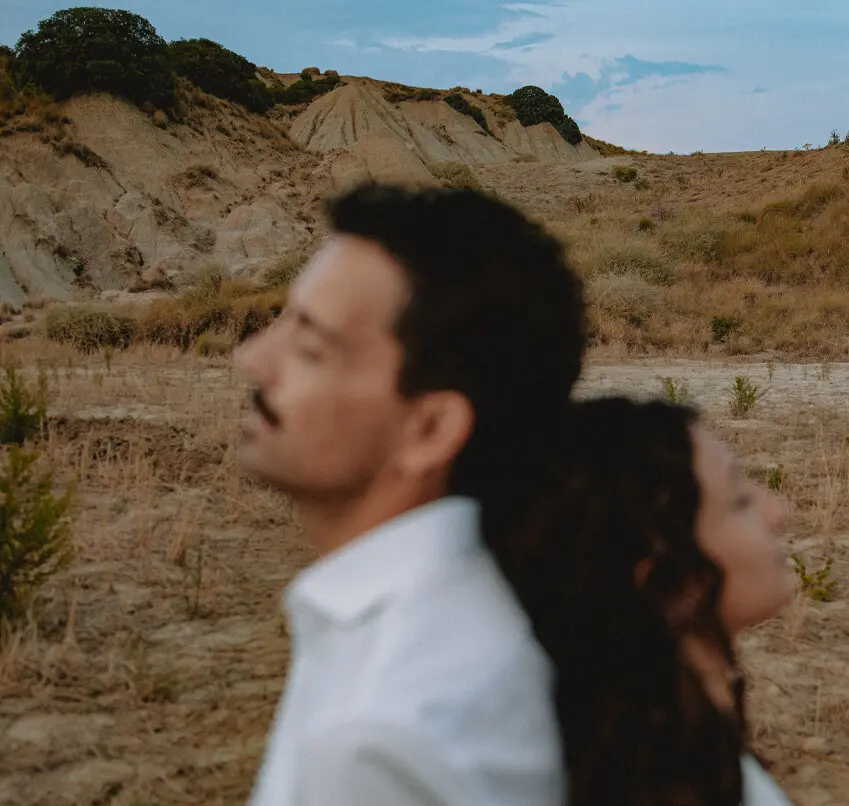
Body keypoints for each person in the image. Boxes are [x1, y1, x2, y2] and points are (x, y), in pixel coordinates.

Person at [233, 182, 585, 806]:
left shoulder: (378, 741)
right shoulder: (468, 617)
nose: (252, 359)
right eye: (279, 321)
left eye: (310, 347)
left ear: (430, 430)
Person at [492, 397, 796, 806]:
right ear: (664, 579)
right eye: (740, 502)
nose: (778, 512)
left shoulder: (657, 741)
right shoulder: (661, 781)